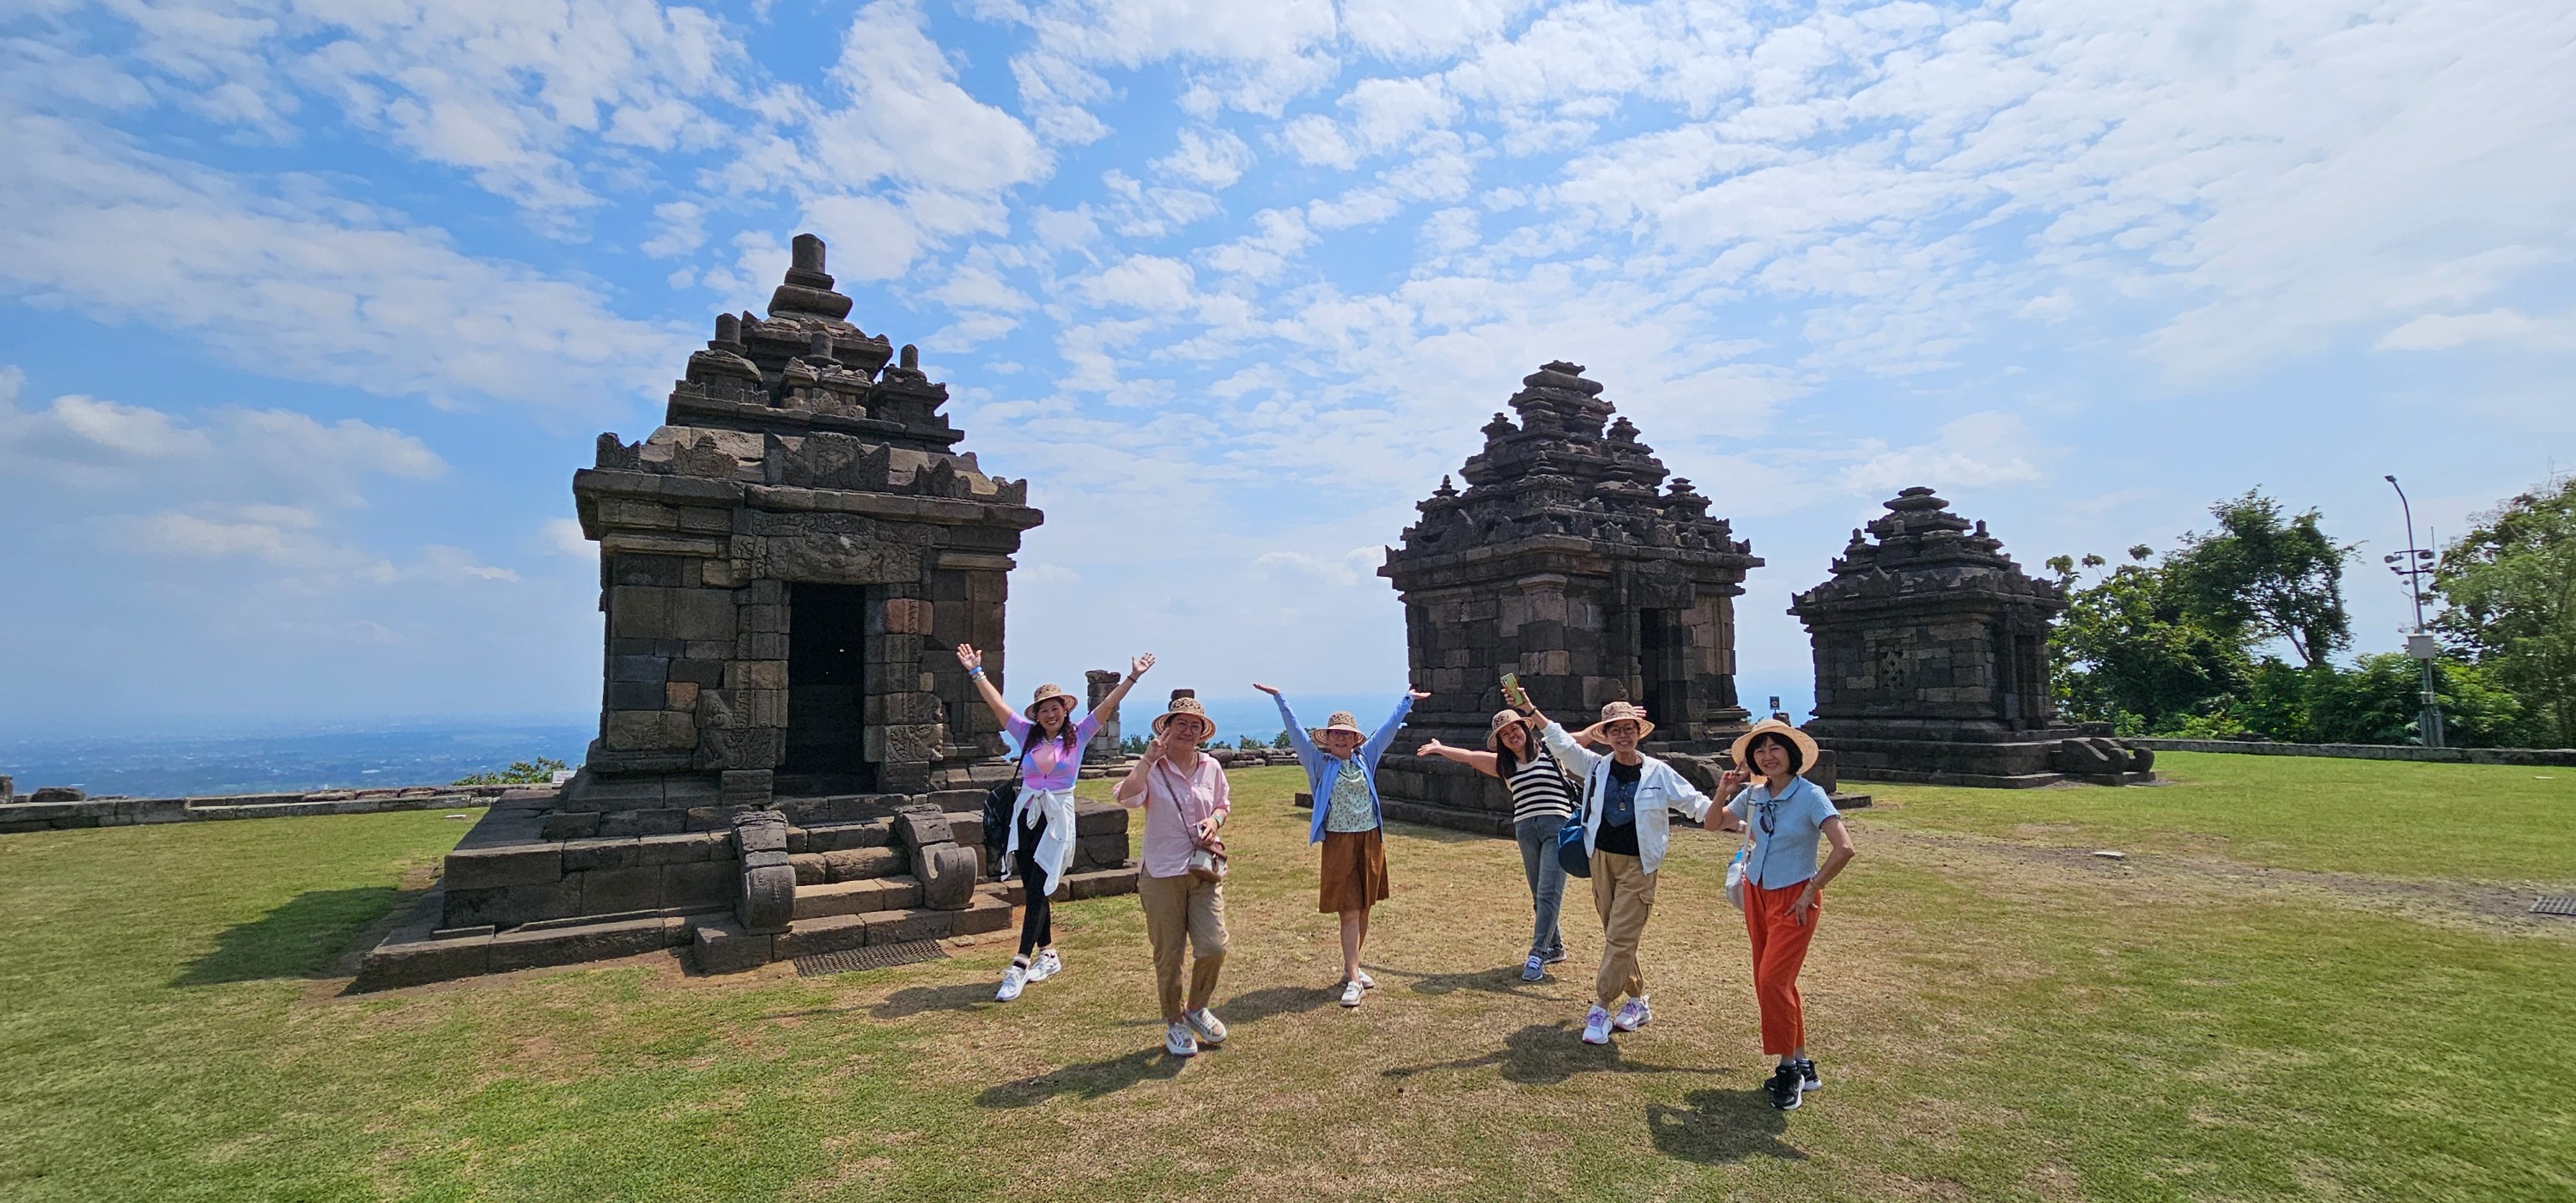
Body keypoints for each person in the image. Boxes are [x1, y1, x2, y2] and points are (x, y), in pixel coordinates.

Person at [957, 645, 1154, 1002]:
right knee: (1034, 885)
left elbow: (1106, 706)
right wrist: (976, 672)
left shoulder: (1078, 735)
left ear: (1065, 711)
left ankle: (1019, 966)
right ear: (1037, 714)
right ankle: (1048, 955)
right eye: (1044, 709)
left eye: (1056, 708)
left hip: (1057, 819)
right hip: (1027, 815)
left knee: (1038, 889)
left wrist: (1133, 677)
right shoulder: (1025, 734)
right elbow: (997, 705)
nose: (1051, 713)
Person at [1524, 698, 1724, 1045]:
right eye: (1615, 730)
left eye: (1628, 729)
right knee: (1616, 935)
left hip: (1639, 865)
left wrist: (1735, 819)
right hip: (1601, 859)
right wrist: (1531, 710)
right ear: (1606, 735)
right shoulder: (1598, 768)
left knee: (1620, 936)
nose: (1623, 735)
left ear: (1638, 733)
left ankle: (1600, 1007)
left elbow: (1696, 804)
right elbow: (1561, 743)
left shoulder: (1657, 772)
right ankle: (1637, 1000)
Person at [1711, 720, 1856, 1111]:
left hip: (1795, 896)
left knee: (1773, 981)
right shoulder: (1756, 795)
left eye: (1776, 748)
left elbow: (1844, 848)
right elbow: (1713, 822)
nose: (1767, 756)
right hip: (1757, 891)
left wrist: (1811, 889)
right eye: (1760, 750)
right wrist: (1724, 790)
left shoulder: (1811, 795)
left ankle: (1788, 1068)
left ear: (1792, 755)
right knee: (1775, 982)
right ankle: (1804, 1064)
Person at [1256, 683, 1425, 1007]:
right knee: (1348, 909)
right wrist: (1280, 700)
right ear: (1327, 738)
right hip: (1339, 841)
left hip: (1370, 838)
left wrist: (1407, 702)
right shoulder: (1320, 764)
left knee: (1364, 907)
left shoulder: (1366, 758)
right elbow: (1296, 735)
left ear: (1355, 738)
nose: (1341, 738)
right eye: (1335, 734)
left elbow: (1388, 731)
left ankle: (1354, 969)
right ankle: (1352, 976)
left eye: (1346, 734)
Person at [1413, 708, 1576, 981]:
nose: (1512, 735)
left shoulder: (1551, 750)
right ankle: (1555, 947)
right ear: (1500, 740)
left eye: (1515, 729)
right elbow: (1469, 757)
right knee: (1539, 893)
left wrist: (1615, 725)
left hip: (1555, 827)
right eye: (1504, 734)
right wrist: (1439, 748)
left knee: (1549, 891)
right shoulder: (1505, 765)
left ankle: (1537, 953)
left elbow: (1583, 738)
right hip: (1525, 830)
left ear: (1525, 729)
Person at [1113, 690, 1232, 1057]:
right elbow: (1126, 797)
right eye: (1180, 723)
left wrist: (1214, 821)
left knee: (1213, 945)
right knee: (1169, 954)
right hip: (1161, 872)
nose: (1187, 730)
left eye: (1194, 725)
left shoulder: (1210, 766)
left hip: (1202, 869)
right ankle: (1174, 1021)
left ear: (1203, 733)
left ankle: (1196, 1008)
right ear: (1166, 728)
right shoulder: (1154, 767)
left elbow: (1222, 804)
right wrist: (1148, 760)